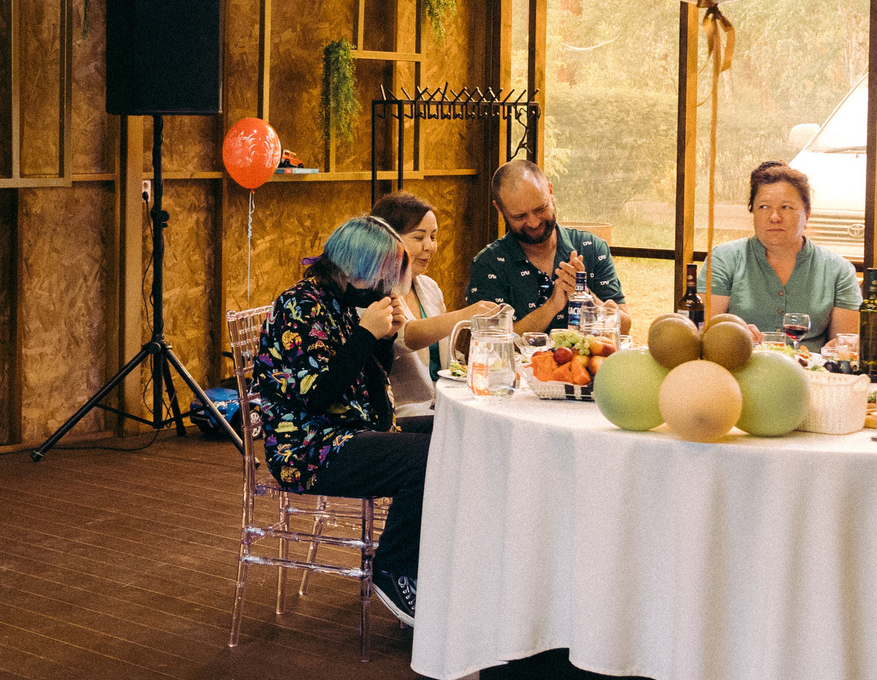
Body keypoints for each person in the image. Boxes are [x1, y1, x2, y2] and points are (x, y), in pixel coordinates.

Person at [251, 216, 426, 627]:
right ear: (354, 268)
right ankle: (392, 567)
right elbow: (318, 396)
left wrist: (381, 340)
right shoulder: (300, 306)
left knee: (456, 435)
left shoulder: (342, 302)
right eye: (380, 277)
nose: (384, 287)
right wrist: (365, 335)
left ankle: (430, 562)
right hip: (308, 447)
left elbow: (369, 385)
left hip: (352, 429)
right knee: (427, 458)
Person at [701, 161, 861, 351]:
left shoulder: (838, 270)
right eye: (764, 207)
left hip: (811, 368)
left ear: (807, 215)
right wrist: (732, 334)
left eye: (786, 207)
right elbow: (704, 333)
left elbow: (845, 345)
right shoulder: (723, 259)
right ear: (753, 212)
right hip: (741, 363)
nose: (774, 217)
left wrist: (841, 348)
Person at [370, 189, 501, 417]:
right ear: (388, 240)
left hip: (445, 403)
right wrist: (464, 315)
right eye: (418, 237)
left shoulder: (429, 287)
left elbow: (447, 360)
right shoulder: (374, 290)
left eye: (433, 237)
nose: (429, 246)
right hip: (405, 411)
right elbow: (403, 338)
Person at [464, 159, 631, 337]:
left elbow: (624, 327)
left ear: (550, 191)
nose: (534, 222)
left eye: (540, 209)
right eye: (520, 216)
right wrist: (551, 306)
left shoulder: (592, 248)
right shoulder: (488, 264)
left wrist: (586, 297)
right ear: (500, 209)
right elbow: (490, 341)